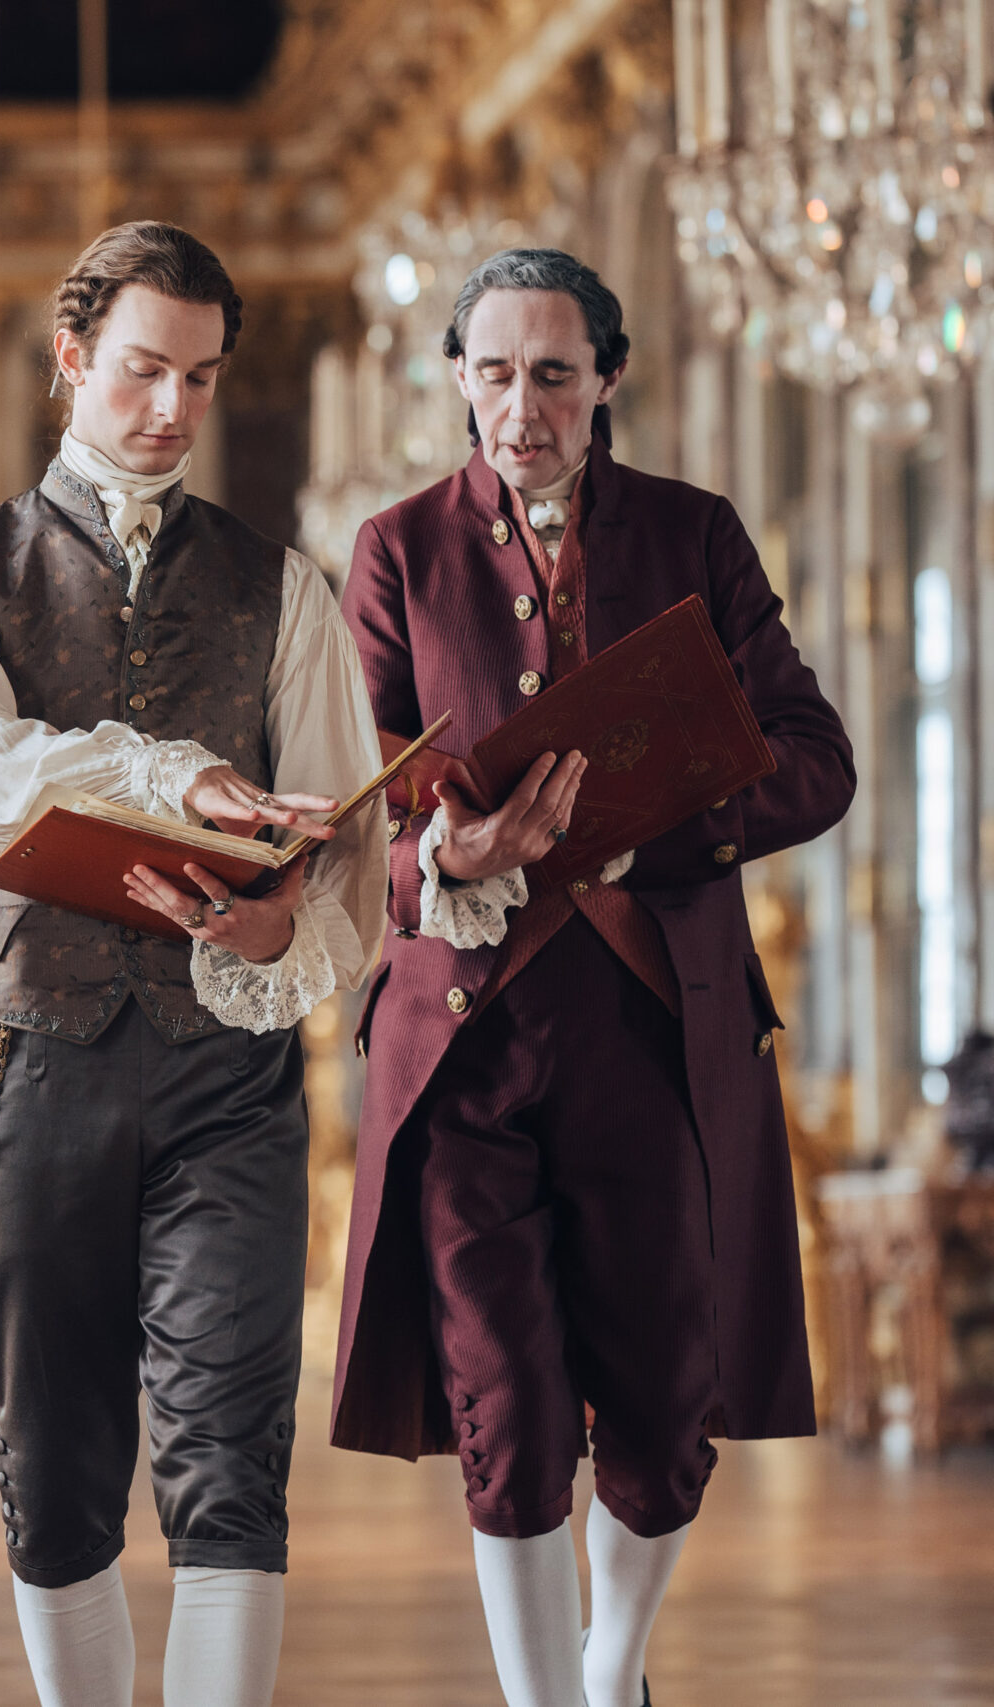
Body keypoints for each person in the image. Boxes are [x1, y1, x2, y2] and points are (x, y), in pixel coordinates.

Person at [332, 248, 855, 1707]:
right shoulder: (393, 551)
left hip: (657, 1036)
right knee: (502, 1396)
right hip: (463, 1046)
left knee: (669, 1398)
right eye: (493, 374)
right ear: (456, 380)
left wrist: (650, 834)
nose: (522, 408)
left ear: (606, 380)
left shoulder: (696, 535)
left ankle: (611, 1662)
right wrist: (445, 854)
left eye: (554, 375)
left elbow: (818, 758)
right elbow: (345, 803)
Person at [0, 220, 388, 1707]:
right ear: (71, 359)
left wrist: (283, 921)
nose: (172, 409)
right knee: (54, 1464)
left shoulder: (284, 587)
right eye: (143, 371)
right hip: (34, 1054)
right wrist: (178, 781)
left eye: (203, 379)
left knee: (233, 1456)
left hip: (230, 1071)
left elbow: (346, 834)